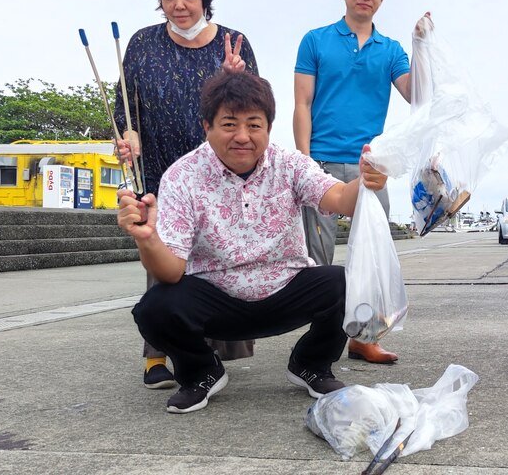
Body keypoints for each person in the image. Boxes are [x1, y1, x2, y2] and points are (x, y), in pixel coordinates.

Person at [120, 71, 388, 414]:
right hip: (217, 301)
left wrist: (365, 180)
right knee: (154, 308)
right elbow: (171, 272)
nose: (242, 137)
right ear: (207, 126)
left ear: (268, 128)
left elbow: (339, 198)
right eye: (229, 124)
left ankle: (311, 364)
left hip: (286, 290)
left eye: (254, 125)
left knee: (346, 282)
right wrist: (148, 239)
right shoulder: (181, 176)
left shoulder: (289, 164)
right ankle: (201, 371)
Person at [114, 0, 258, 390]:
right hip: (160, 172)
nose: (179, 5)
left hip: (219, 176)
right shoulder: (141, 43)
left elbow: (254, 111)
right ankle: (155, 355)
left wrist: (238, 78)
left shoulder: (234, 43)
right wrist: (129, 137)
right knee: (162, 263)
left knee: (216, 262)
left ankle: (205, 353)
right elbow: (127, 109)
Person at [293, 0, 413, 365]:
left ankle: (364, 338)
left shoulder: (391, 49)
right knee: (317, 255)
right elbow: (302, 104)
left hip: (370, 167)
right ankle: (318, 342)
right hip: (323, 162)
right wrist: (304, 161)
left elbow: (418, 96)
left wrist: (425, 46)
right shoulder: (316, 40)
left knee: (371, 256)